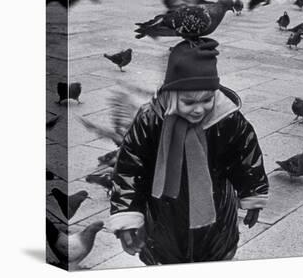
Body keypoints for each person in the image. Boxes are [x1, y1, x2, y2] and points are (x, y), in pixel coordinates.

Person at [106, 39, 269, 264]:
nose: (199, 109)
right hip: (164, 220)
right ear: (172, 94)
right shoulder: (151, 120)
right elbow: (131, 167)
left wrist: (252, 194)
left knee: (215, 258)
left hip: (217, 218)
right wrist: (127, 216)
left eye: (207, 100)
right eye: (189, 102)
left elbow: (245, 156)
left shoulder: (227, 119)